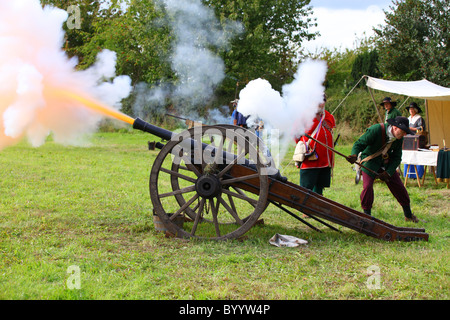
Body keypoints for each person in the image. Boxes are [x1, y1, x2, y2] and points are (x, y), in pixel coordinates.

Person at [346, 116, 419, 222]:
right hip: (370, 161)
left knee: (399, 187)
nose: (404, 135)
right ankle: (367, 217)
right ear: (394, 128)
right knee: (367, 188)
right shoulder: (376, 130)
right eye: (403, 131)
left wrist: (388, 173)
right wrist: (354, 155)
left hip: (386, 163)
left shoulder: (399, 138)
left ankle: (408, 215)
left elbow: (397, 157)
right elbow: (359, 144)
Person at [295, 95, 335, 196]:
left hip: (325, 160)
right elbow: (295, 134)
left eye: (322, 101)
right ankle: (305, 211)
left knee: (319, 189)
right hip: (310, 159)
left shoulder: (329, 117)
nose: (319, 104)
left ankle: (317, 210)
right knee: (306, 189)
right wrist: (304, 146)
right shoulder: (304, 116)